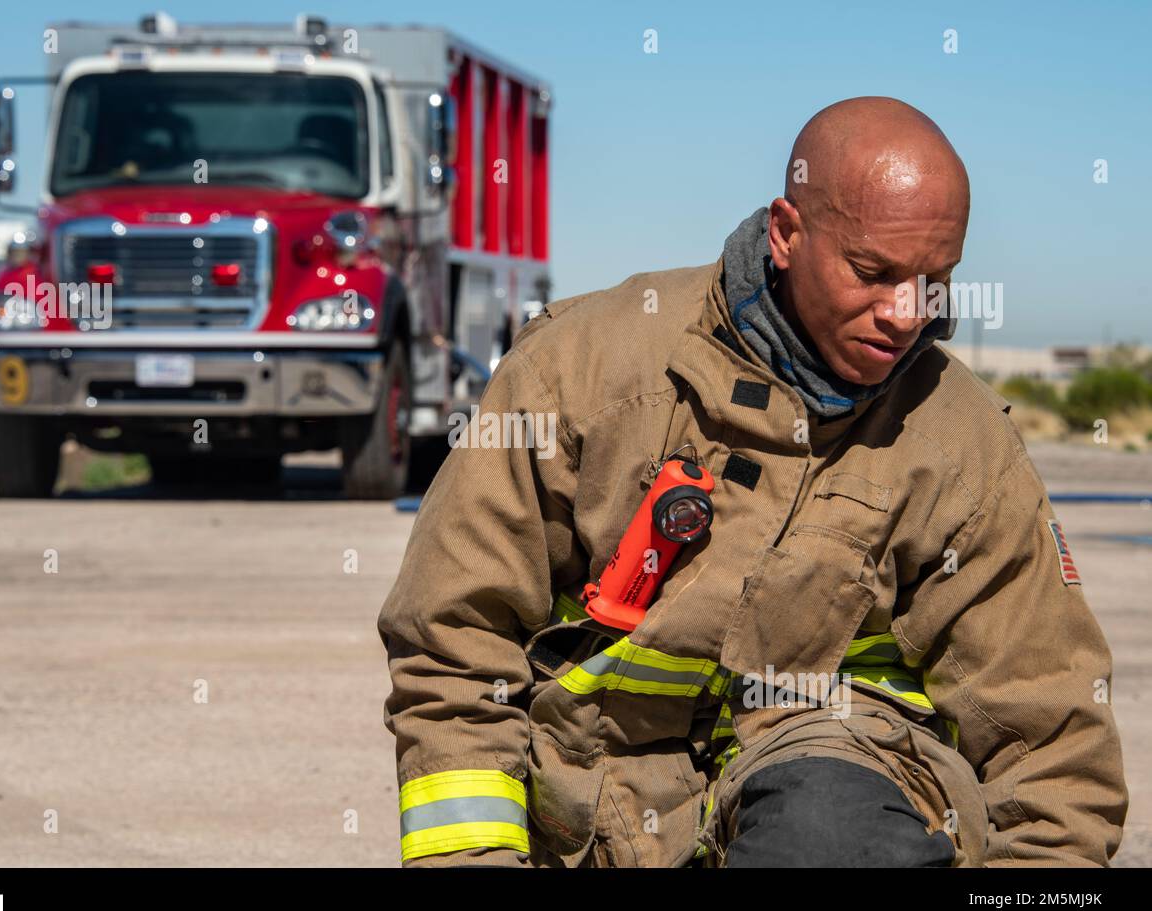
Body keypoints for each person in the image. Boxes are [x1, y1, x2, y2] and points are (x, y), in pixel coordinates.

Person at [377, 96, 1128, 867]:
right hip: (588, 815)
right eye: (873, 272)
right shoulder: (581, 375)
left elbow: (1050, 737)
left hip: (836, 790)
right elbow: (453, 645)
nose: (907, 313)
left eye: (936, 279)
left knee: (829, 833)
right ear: (786, 233)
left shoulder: (963, 446)